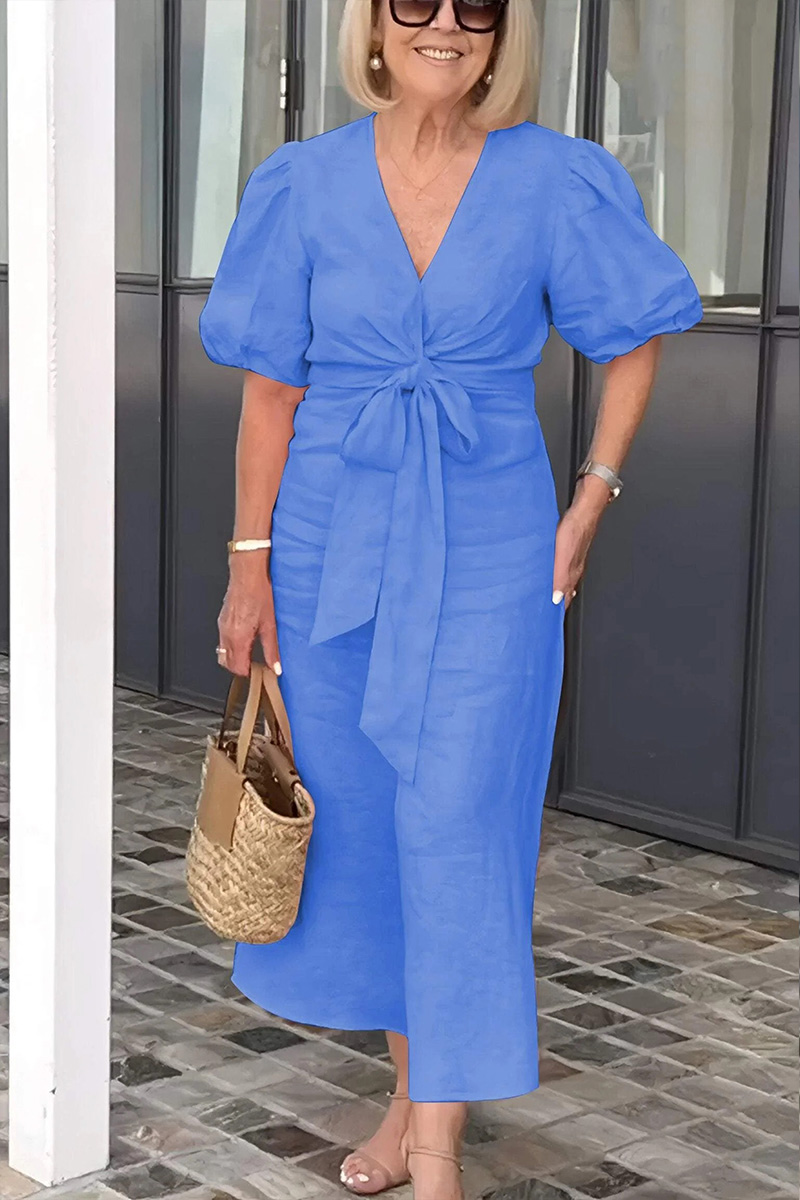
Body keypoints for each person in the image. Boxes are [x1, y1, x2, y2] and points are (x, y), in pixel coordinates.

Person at [198, 1, 703, 1196]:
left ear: (499, 33)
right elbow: (270, 394)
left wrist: (592, 495)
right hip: (327, 550)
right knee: (372, 831)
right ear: (372, 28)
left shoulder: (555, 179)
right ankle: (408, 1105)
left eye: (472, 5)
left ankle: (434, 1152)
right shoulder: (303, 183)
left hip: (489, 548)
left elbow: (634, 332)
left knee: (460, 826)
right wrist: (246, 566)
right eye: (411, 3)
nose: (443, 25)